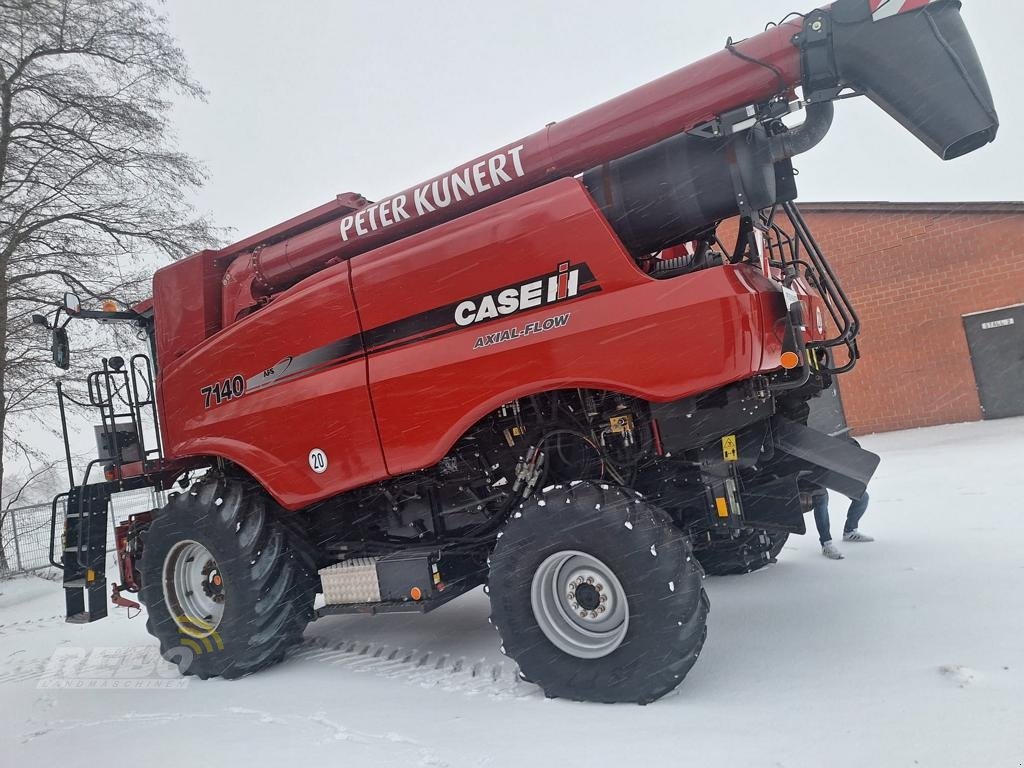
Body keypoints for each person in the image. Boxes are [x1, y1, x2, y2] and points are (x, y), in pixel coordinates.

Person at [810, 486, 874, 560]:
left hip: (831, 475)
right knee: (821, 498)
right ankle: (826, 543)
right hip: (812, 481)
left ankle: (849, 532)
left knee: (862, 497)